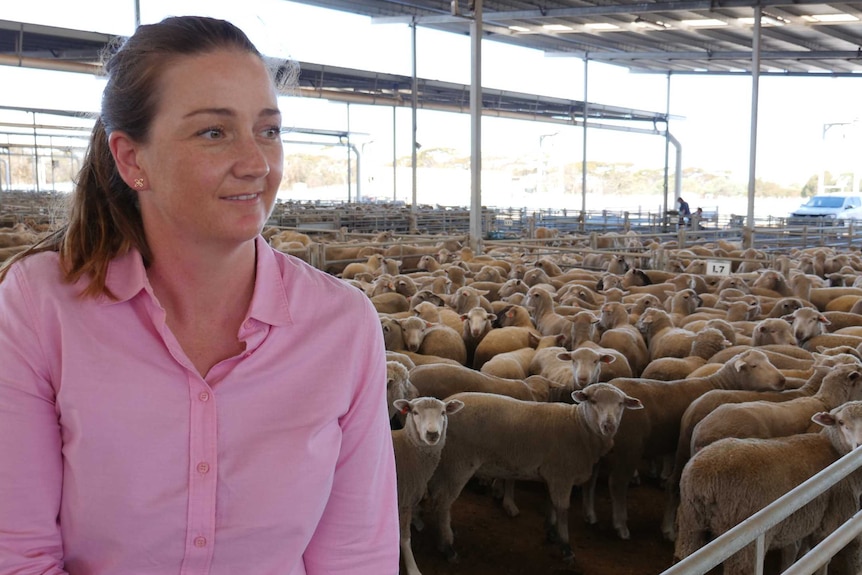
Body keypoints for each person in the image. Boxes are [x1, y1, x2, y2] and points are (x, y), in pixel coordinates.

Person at [0, 16, 399, 575]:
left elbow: (356, 556)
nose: (257, 163)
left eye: (269, 130)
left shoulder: (343, 324)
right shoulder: (41, 305)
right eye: (214, 132)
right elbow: (15, 552)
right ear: (131, 159)